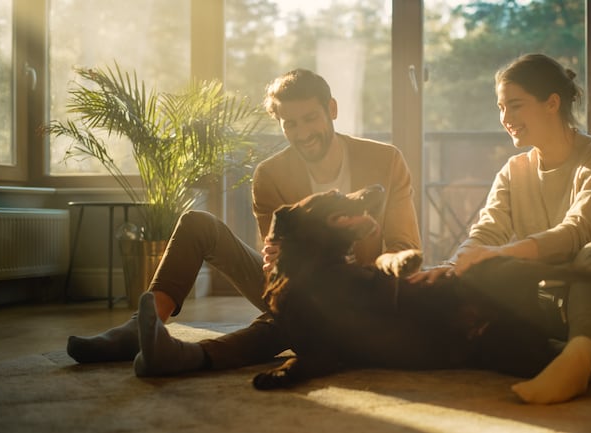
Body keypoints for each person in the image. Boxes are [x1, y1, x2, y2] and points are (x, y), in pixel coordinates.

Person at [67, 68, 421, 377]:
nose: (302, 133)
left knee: (287, 321)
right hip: (300, 285)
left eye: (311, 118)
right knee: (198, 223)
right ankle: (141, 327)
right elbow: (276, 264)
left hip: (364, 294)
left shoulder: (385, 161)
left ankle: (189, 357)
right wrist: (275, 262)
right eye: (290, 123)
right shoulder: (271, 174)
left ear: (331, 110)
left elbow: (404, 246)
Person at [408, 53, 591, 404]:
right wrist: (455, 267)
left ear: (551, 103)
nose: (505, 119)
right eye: (501, 108)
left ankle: (579, 361)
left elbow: (578, 232)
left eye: (515, 106)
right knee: (479, 271)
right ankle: (545, 349)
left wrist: (499, 253)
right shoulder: (514, 170)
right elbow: (485, 233)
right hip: (555, 303)